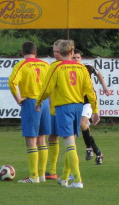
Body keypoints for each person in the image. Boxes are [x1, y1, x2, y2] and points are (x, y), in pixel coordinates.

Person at [36, 40, 100, 189]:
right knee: (70, 142)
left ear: (60, 52)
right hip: (78, 107)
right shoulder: (82, 68)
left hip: (63, 108)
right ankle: (64, 177)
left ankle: (77, 180)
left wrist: (39, 101)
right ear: (72, 52)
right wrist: (95, 110)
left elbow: (47, 88)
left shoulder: (56, 67)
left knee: (69, 143)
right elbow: (90, 90)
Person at [8, 41, 50, 183]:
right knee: (42, 139)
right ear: (36, 52)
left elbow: (11, 82)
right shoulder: (45, 65)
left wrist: (18, 99)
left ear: (22, 53)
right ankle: (42, 174)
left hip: (31, 102)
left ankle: (33, 176)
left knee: (31, 140)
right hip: (45, 103)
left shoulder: (21, 65)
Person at [73, 49, 112, 165]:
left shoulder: (87, 67)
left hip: (88, 102)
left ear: (81, 59)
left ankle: (89, 148)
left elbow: (98, 73)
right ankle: (98, 153)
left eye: (77, 58)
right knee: (78, 132)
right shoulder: (68, 69)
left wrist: (105, 87)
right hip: (75, 102)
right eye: (73, 58)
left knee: (82, 124)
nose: (75, 60)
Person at [44, 40, 63, 180]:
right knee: (53, 136)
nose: (56, 54)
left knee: (70, 140)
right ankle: (52, 170)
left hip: (67, 107)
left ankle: (69, 173)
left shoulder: (70, 66)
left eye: (58, 51)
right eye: (54, 51)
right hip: (54, 108)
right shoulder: (52, 65)